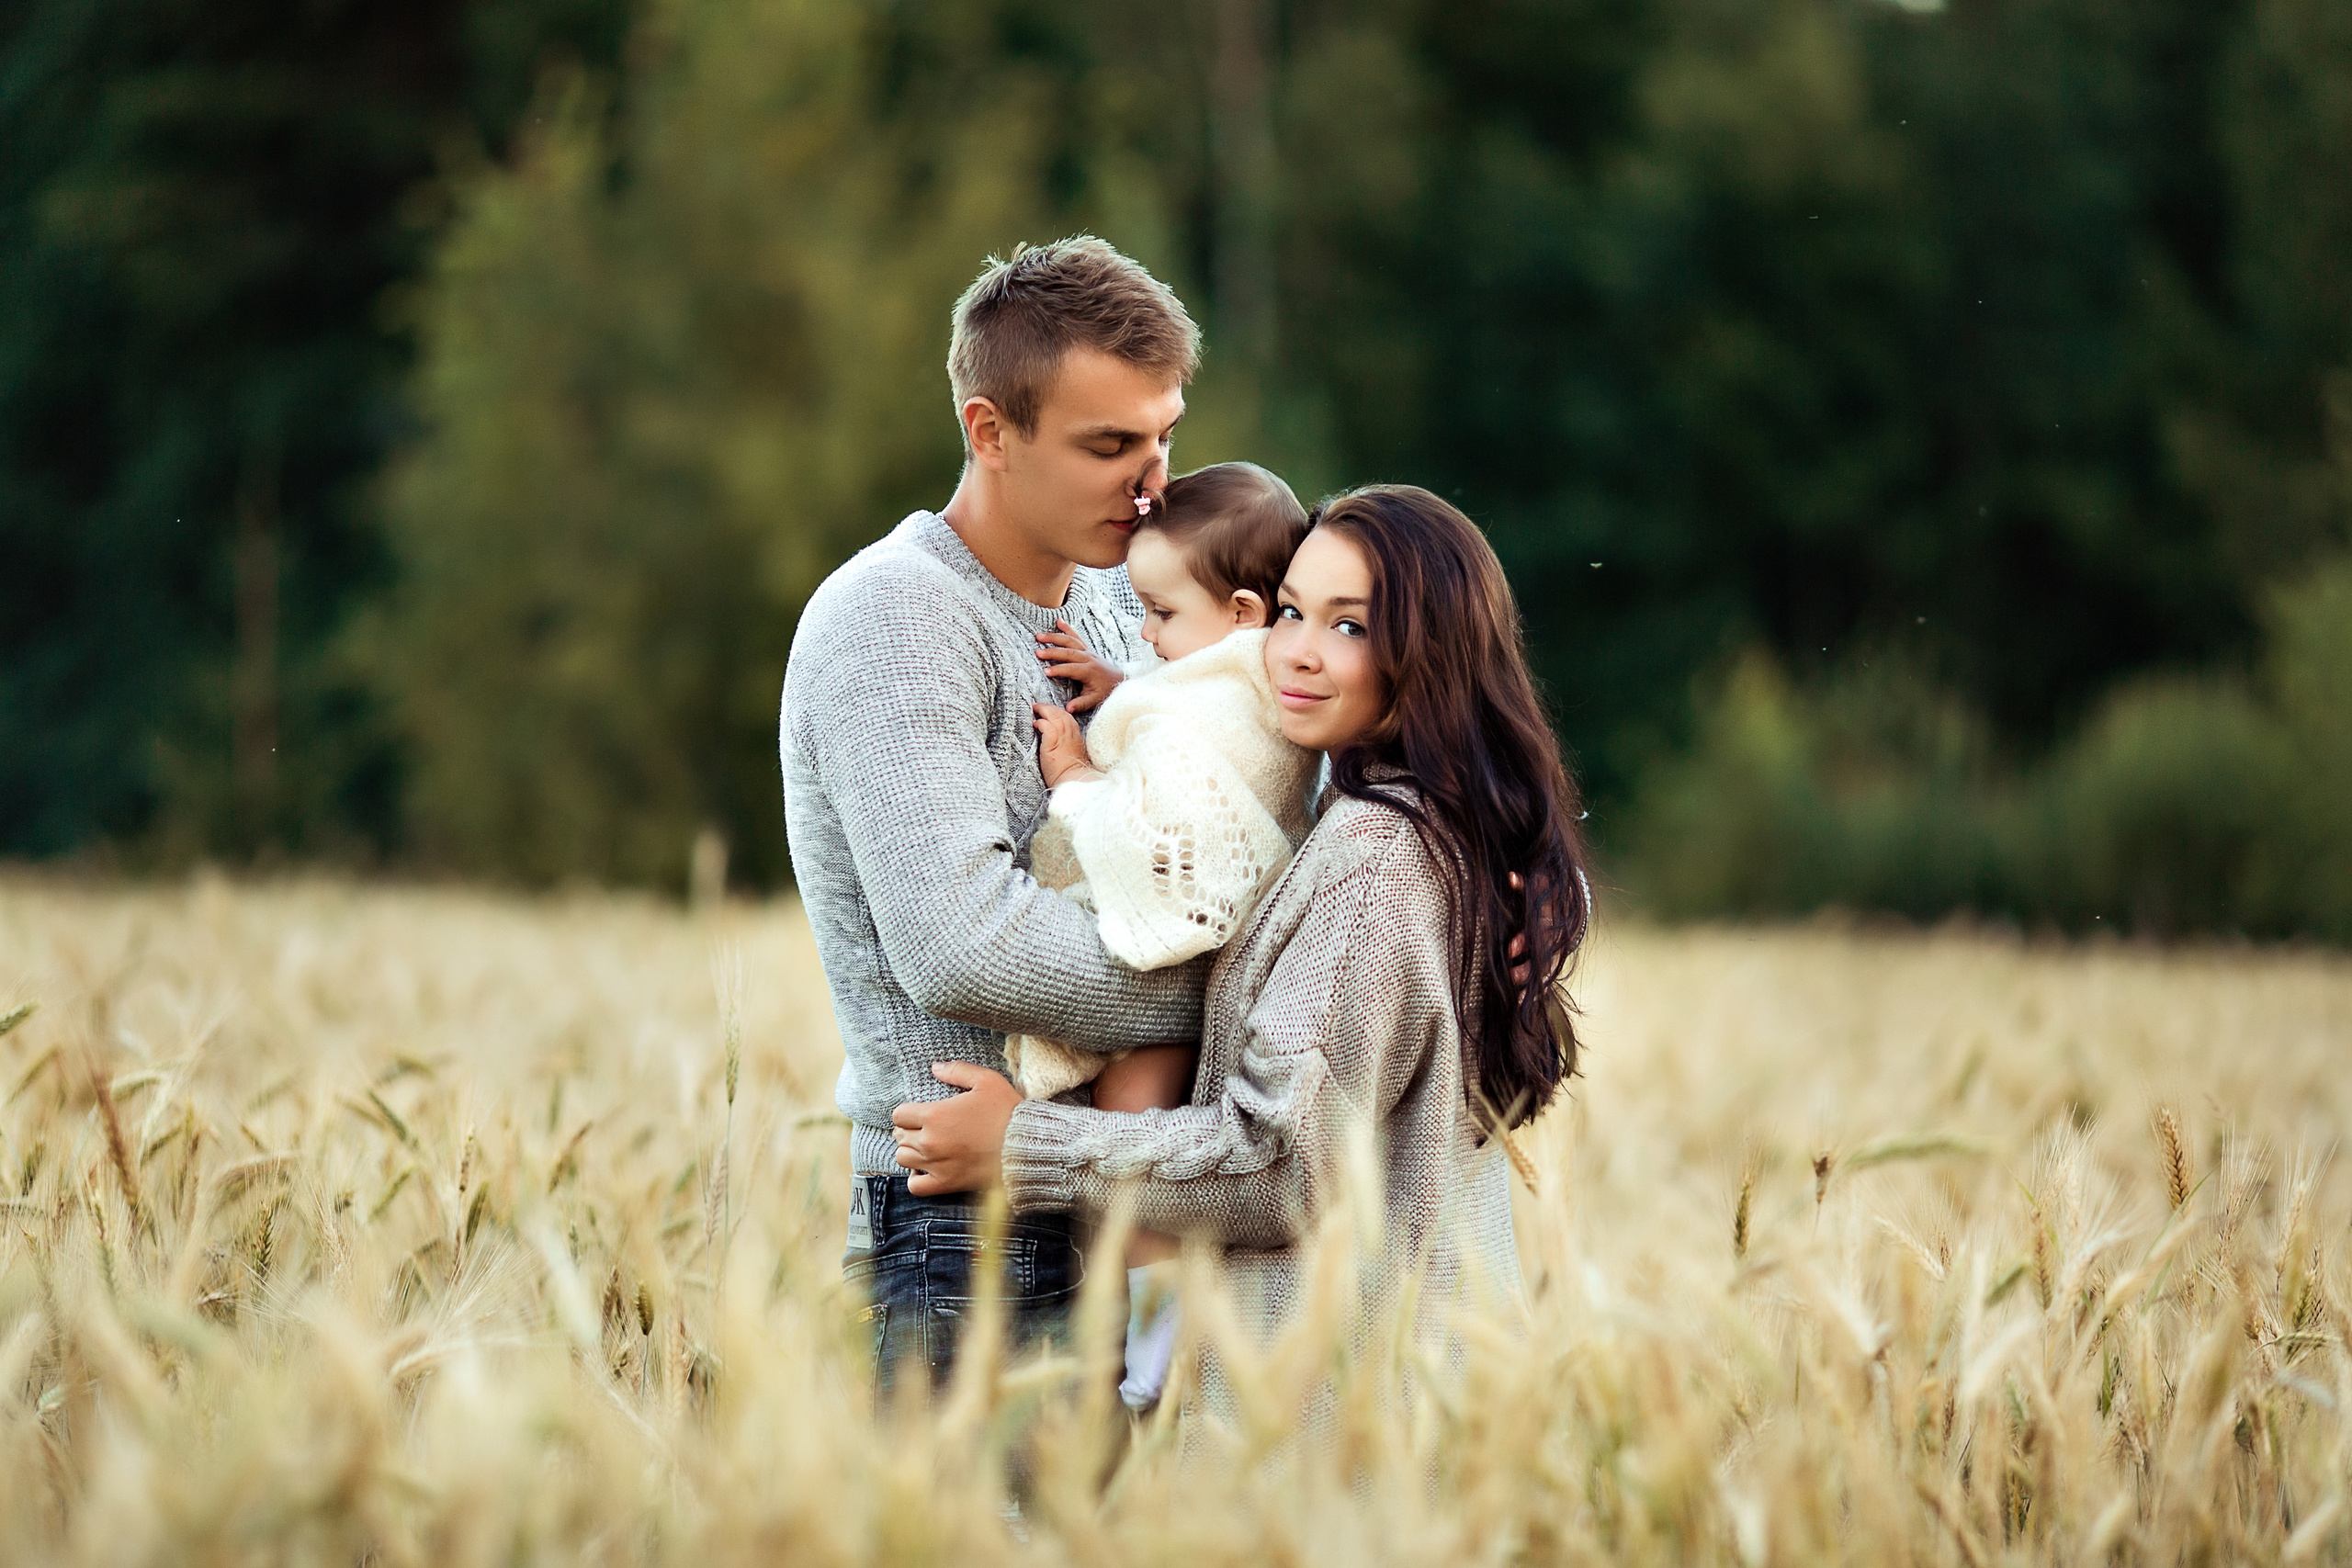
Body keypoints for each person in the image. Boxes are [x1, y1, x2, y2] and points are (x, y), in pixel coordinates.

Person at [890, 484, 1595, 1425]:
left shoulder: (1374, 857)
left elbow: (1278, 1164)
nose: (1297, 648)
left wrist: (1023, 1144)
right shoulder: (1436, 830)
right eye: (1293, 610)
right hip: (1397, 1386)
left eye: (1350, 627)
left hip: (1319, 1412)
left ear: (1430, 652)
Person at [779, 236, 1207, 1395]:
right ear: (989, 432)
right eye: (1109, 445)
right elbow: (963, 941)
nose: (1152, 482)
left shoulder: (1137, 602)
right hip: (974, 1227)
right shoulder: (894, 618)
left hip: (1143, 1190)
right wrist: (1234, 984)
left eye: (1164, 435)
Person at [1005, 460, 1320, 1410]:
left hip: (1171, 977)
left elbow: (1158, 835)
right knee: (1127, 1151)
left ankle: (1153, 1347)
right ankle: (1148, 1330)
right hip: (1191, 979)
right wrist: (1126, 682)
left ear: (1239, 612)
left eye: (1159, 614)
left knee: (1133, 1150)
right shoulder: (1253, 673)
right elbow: (1185, 697)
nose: (1142, 632)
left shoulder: (1229, 704)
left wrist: (1071, 774)